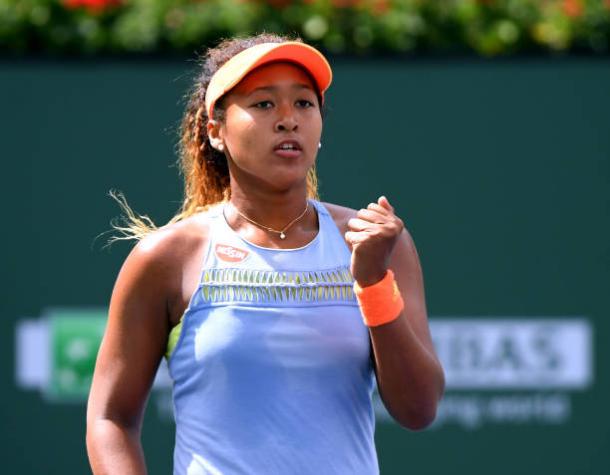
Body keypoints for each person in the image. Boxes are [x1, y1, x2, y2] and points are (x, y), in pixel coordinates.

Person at [86, 33, 445, 475]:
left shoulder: (374, 243)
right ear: (215, 131)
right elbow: (110, 419)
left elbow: (419, 408)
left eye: (304, 104)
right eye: (263, 104)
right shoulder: (166, 257)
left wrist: (372, 282)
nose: (288, 120)